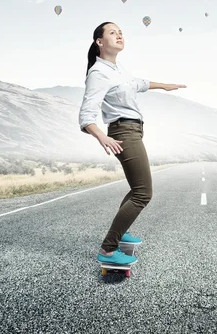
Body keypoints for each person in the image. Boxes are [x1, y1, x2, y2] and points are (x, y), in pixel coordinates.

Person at [78, 21, 187, 265]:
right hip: (123, 132)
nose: (119, 35)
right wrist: (102, 136)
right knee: (143, 193)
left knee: (136, 188)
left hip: (133, 130)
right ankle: (107, 249)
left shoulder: (118, 70)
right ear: (99, 42)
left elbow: (139, 83)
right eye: (112, 32)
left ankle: (122, 231)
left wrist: (165, 85)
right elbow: (85, 116)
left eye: (121, 32)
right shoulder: (98, 73)